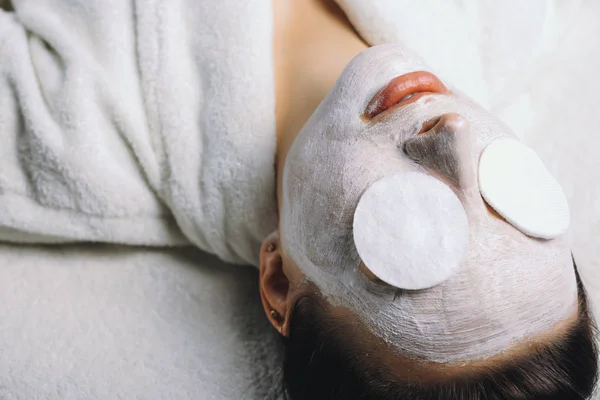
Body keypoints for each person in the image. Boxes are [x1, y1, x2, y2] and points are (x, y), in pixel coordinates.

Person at [0, 1, 597, 399]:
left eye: (417, 229)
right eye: (511, 195)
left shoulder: (68, 139)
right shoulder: (506, 20)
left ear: (280, 284)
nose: (456, 137)